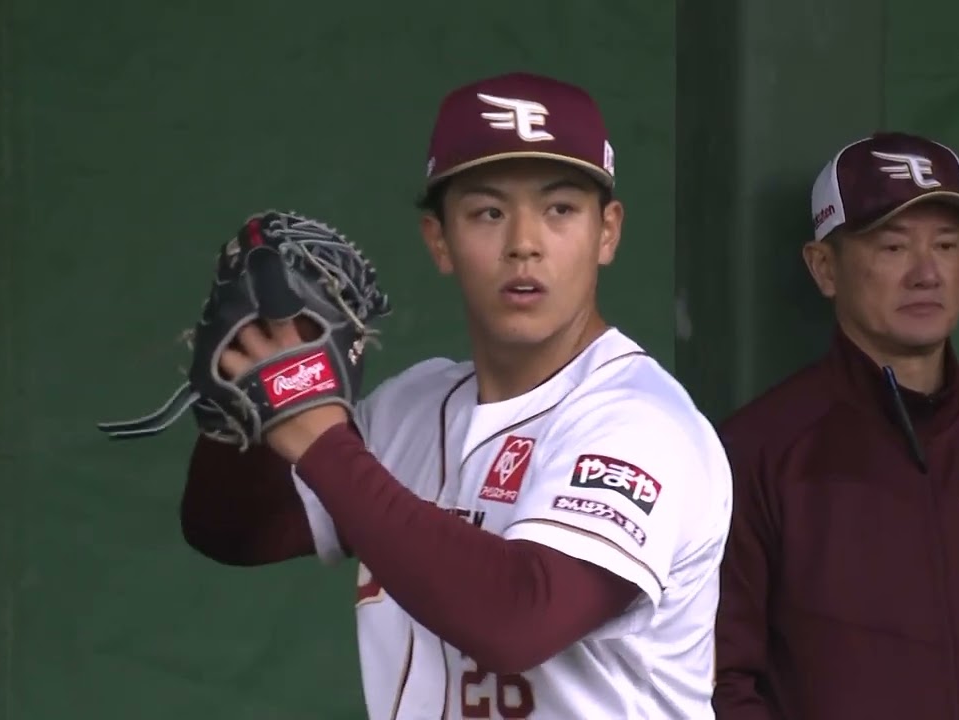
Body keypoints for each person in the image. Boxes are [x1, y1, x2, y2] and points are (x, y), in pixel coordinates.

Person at [181, 71, 733, 719]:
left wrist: (320, 440)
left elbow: (519, 618)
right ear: (439, 240)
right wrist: (241, 414)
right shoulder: (411, 407)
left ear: (607, 232)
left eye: (560, 209)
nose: (524, 244)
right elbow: (235, 531)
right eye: (487, 212)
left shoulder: (642, 424)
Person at [710, 131, 959, 719]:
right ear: (824, 267)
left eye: (946, 245)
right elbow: (722, 680)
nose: (927, 273)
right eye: (893, 246)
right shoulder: (757, 452)